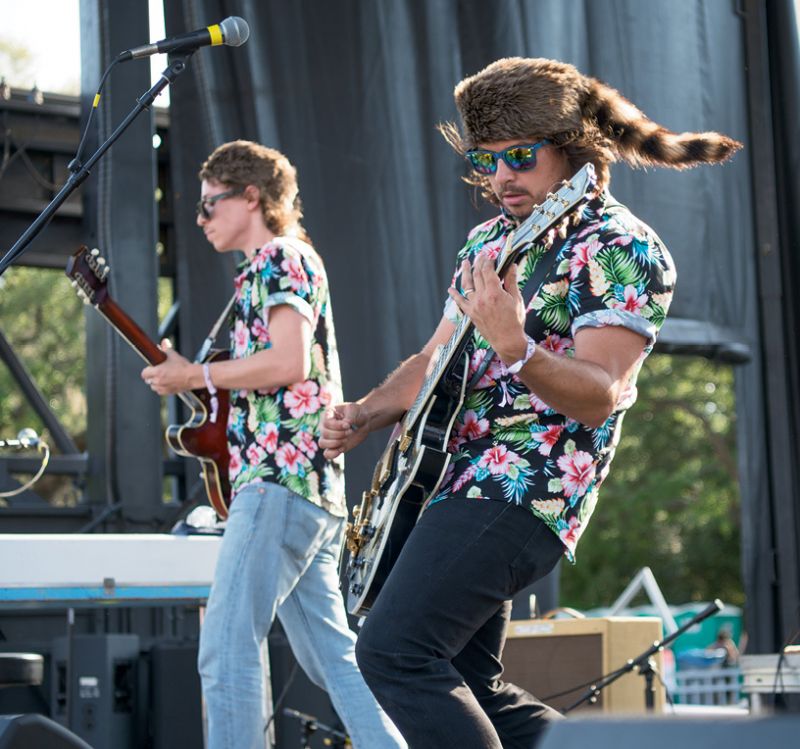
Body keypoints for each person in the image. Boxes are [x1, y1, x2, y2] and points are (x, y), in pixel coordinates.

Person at [320, 57, 742, 748]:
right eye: (488, 161)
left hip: (527, 488)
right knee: (469, 679)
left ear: (573, 148)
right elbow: (435, 359)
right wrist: (366, 412)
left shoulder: (624, 247)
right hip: (453, 481)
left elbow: (600, 395)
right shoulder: (489, 242)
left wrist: (517, 346)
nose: (501, 178)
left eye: (520, 156)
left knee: (392, 650)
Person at [141, 140, 404, 749]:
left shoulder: (280, 258)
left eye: (210, 204)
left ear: (251, 196)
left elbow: (287, 362)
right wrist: (193, 377)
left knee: (227, 644)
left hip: (279, 482)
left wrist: (194, 376)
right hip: (308, 489)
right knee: (334, 663)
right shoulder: (281, 265)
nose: (201, 219)